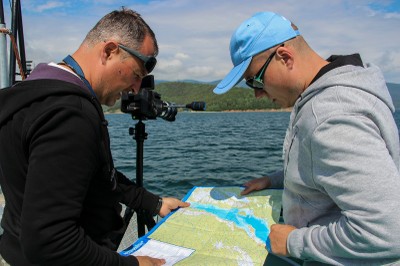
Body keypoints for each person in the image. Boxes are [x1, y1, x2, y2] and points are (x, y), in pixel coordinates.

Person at [0, 8, 190, 266]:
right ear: (110, 51)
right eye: (136, 75)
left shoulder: (33, 95)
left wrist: (153, 203)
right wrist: (132, 264)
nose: (135, 89)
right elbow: (50, 242)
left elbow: (97, 175)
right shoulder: (70, 115)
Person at [213, 11, 400, 265]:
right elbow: (322, 169)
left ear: (284, 57)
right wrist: (274, 180)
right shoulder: (327, 94)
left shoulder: (330, 116)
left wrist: (293, 242)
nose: (257, 94)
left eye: (254, 80)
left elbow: (387, 232)